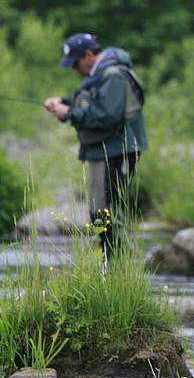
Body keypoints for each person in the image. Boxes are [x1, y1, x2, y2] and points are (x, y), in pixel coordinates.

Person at [44, 33, 148, 259]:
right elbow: (97, 102)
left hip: (116, 150)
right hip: (107, 149)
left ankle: (115, 266)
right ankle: (112, 266)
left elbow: (106, 115)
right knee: (101, 210)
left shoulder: (112, 75)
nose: (74, 69)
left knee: (107, 211)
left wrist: (69, 113)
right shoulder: (103, 75)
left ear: (89, 55)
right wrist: (64, 103)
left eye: (75, 63)